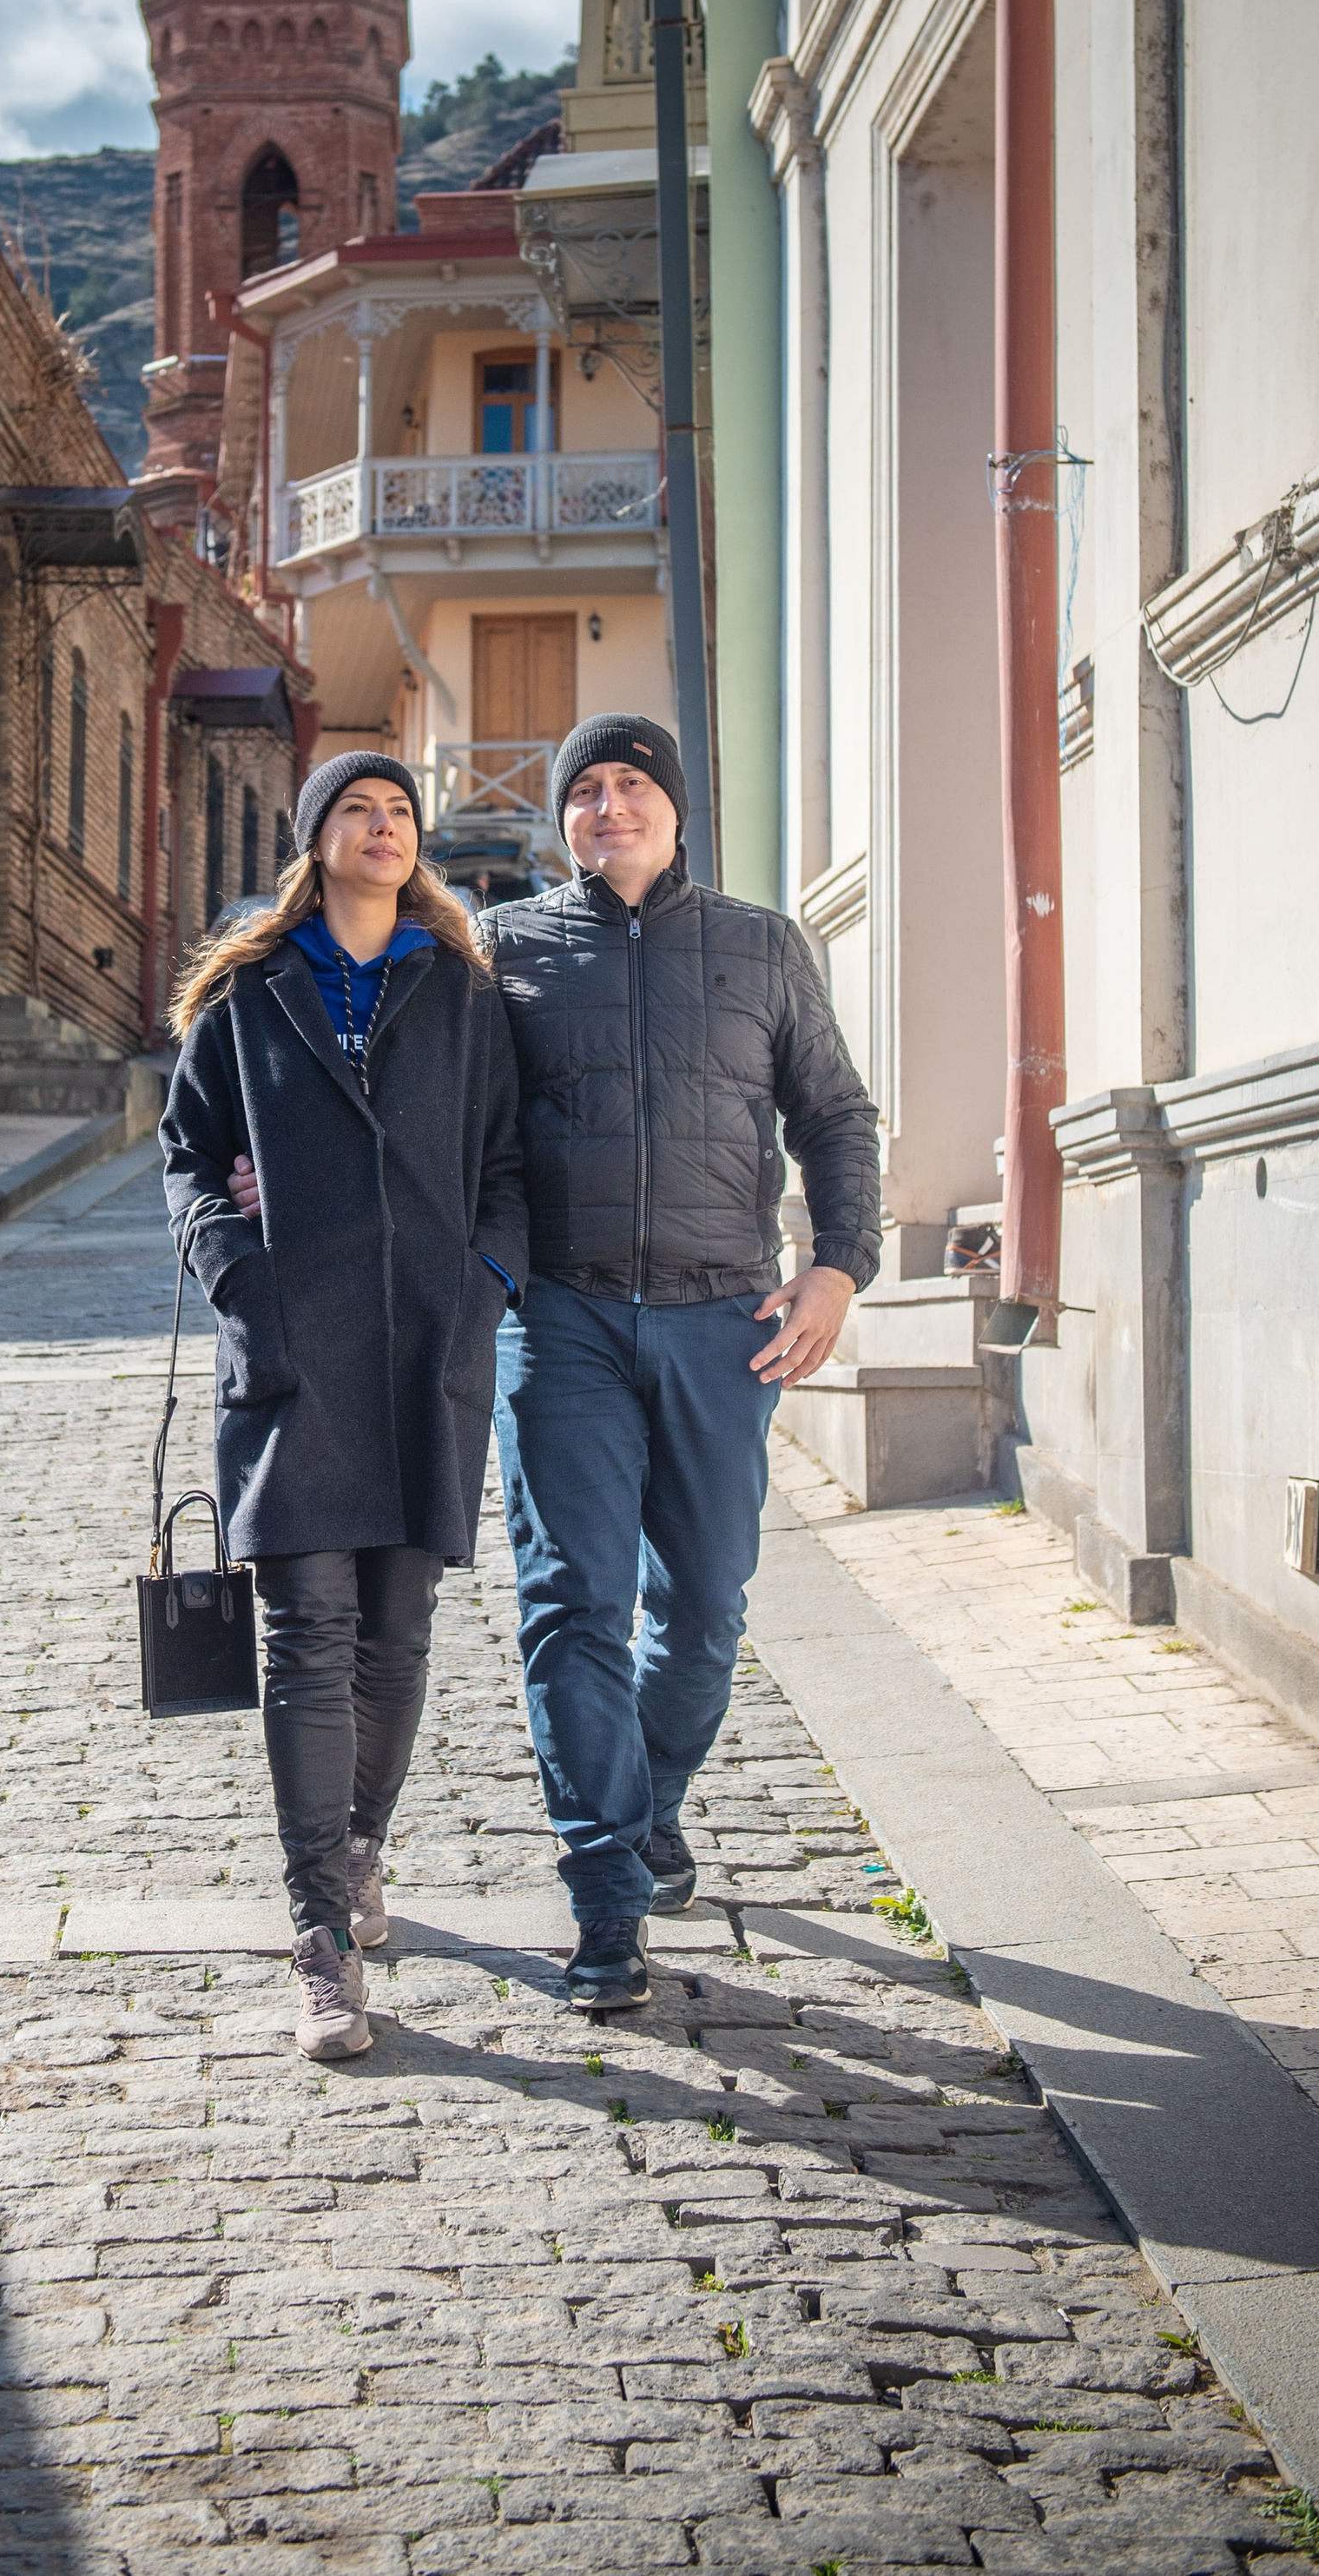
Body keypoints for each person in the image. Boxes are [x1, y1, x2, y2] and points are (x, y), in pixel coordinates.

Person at [483, 714, 881, 2016]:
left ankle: (646, 1802)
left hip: (724, 1322)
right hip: (563, 1321)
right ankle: (606, 1896)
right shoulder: (508, 951)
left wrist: (838, 1266)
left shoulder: (761, 945)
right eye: (584, 790)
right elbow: (433, 1117)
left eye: (632, 784)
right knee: (573, 1606)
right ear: (563, 820)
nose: (609, 807)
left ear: (675, 806)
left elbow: (833, 1113)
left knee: (704, 1609)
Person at [160, 752, 526, 2060]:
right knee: (305, 1633)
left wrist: (484, 1284)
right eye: (357, 813)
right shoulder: (251, 996)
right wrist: (235, 1272)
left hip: (428, 1348)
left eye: (400, 814)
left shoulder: (464, 991)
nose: (383, 829)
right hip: (293, 1349)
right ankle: (317, 1927)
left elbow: (506, 1166)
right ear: (315, 843)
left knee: (398, 1631)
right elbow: (189, 1157)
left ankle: (362, 1849)